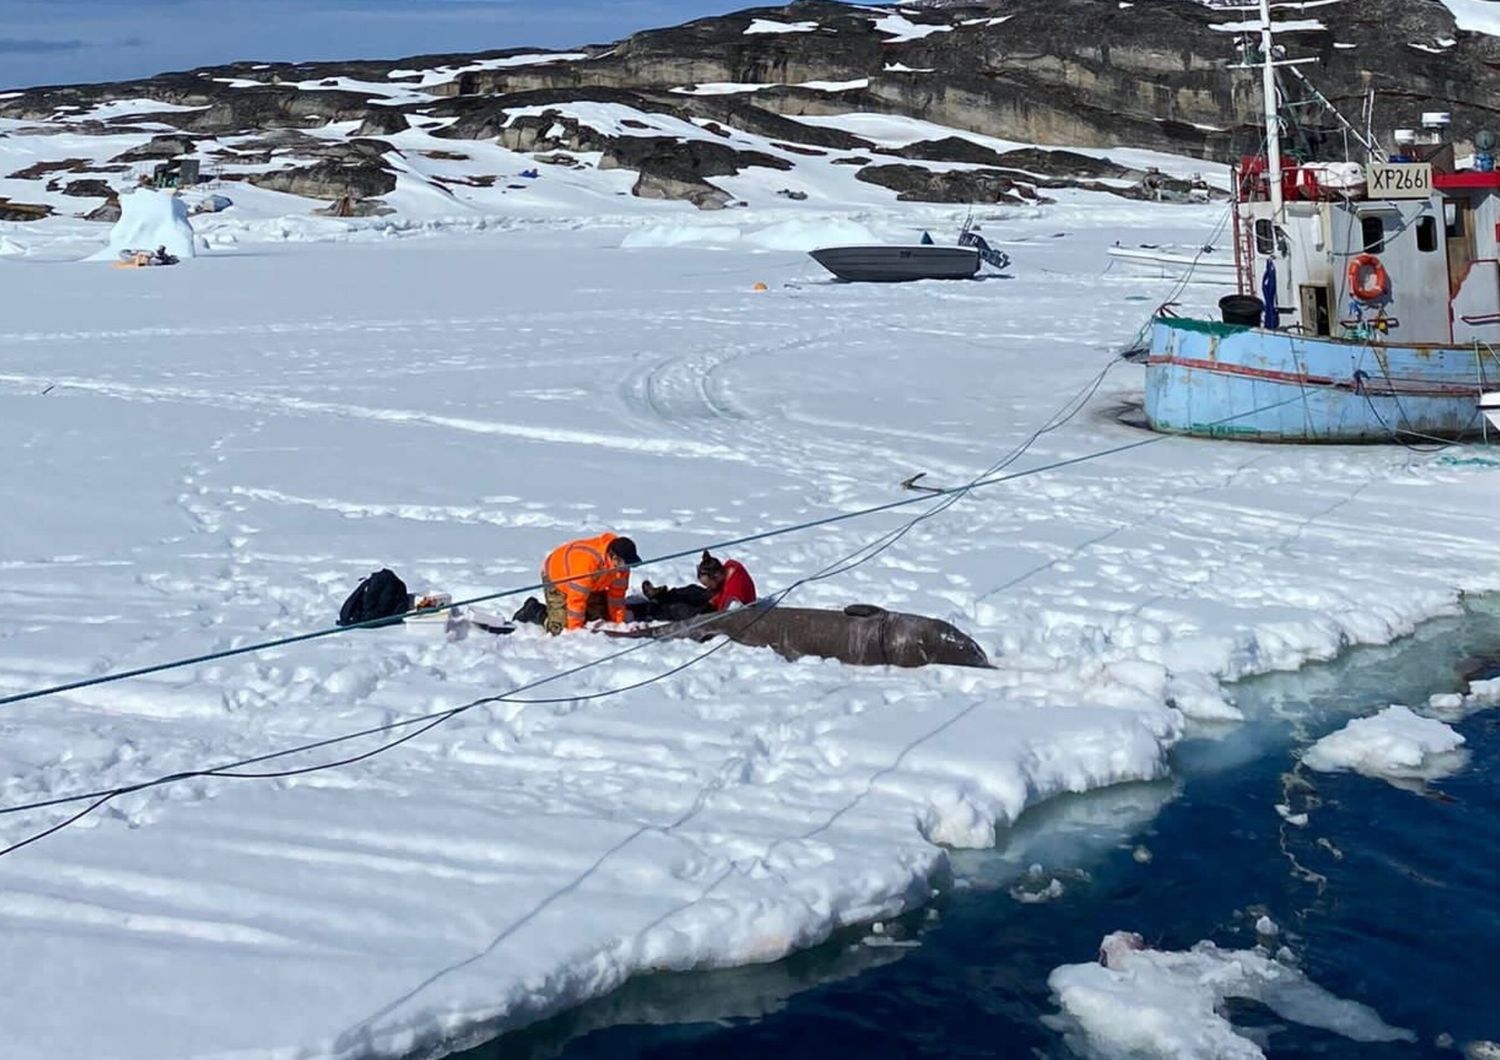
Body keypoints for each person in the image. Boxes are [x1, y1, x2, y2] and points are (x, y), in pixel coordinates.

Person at [540, 532, 641, 634]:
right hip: (557, 577)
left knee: (598, 615)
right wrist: (575, 632)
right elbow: (576, 600)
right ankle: (535, 611)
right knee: (560, 629)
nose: (627, 568)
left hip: (590, 585)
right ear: (614, 558)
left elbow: (617, 597)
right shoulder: (588, 564)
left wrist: (619, 623)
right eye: (625, 564)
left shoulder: (622, 567)